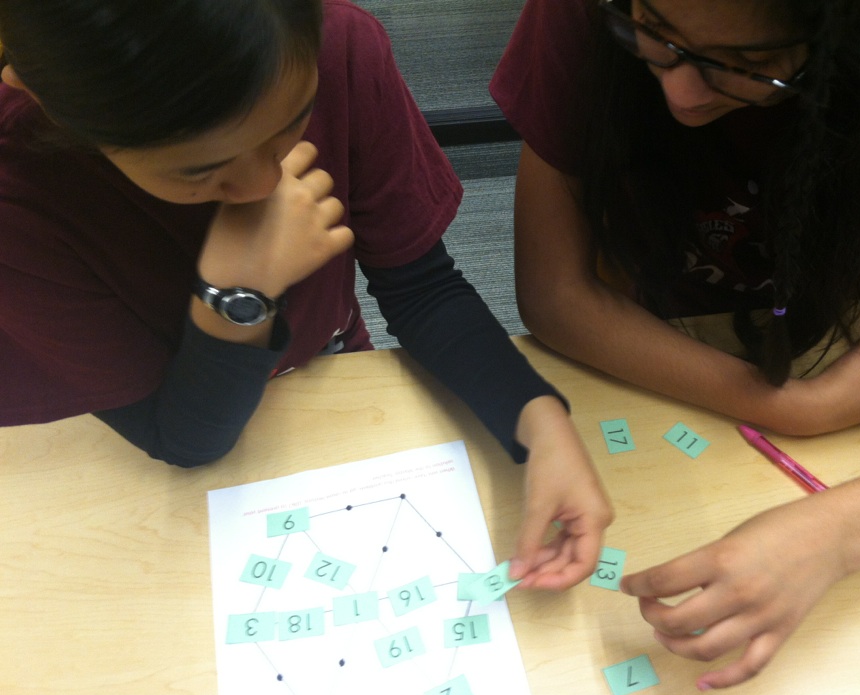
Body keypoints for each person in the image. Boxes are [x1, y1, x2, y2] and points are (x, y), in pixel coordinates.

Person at [491, 0, 860, 688]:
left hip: (856, 320)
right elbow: (554, 294)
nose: (681, 92)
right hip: (653, 326)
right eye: (653, 31)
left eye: (749, 64)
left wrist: (829, 535)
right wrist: (787, 407)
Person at [0, 0, 612, 590]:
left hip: (330, 366)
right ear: (43, 94)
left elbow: (422, 288)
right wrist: (238, 292)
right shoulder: (19, 192)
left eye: (293, 121)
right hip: (179, 429)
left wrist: (537, 418)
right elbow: (184, 439)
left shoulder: (335, 43)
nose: (266, 185)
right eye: (198, 170)